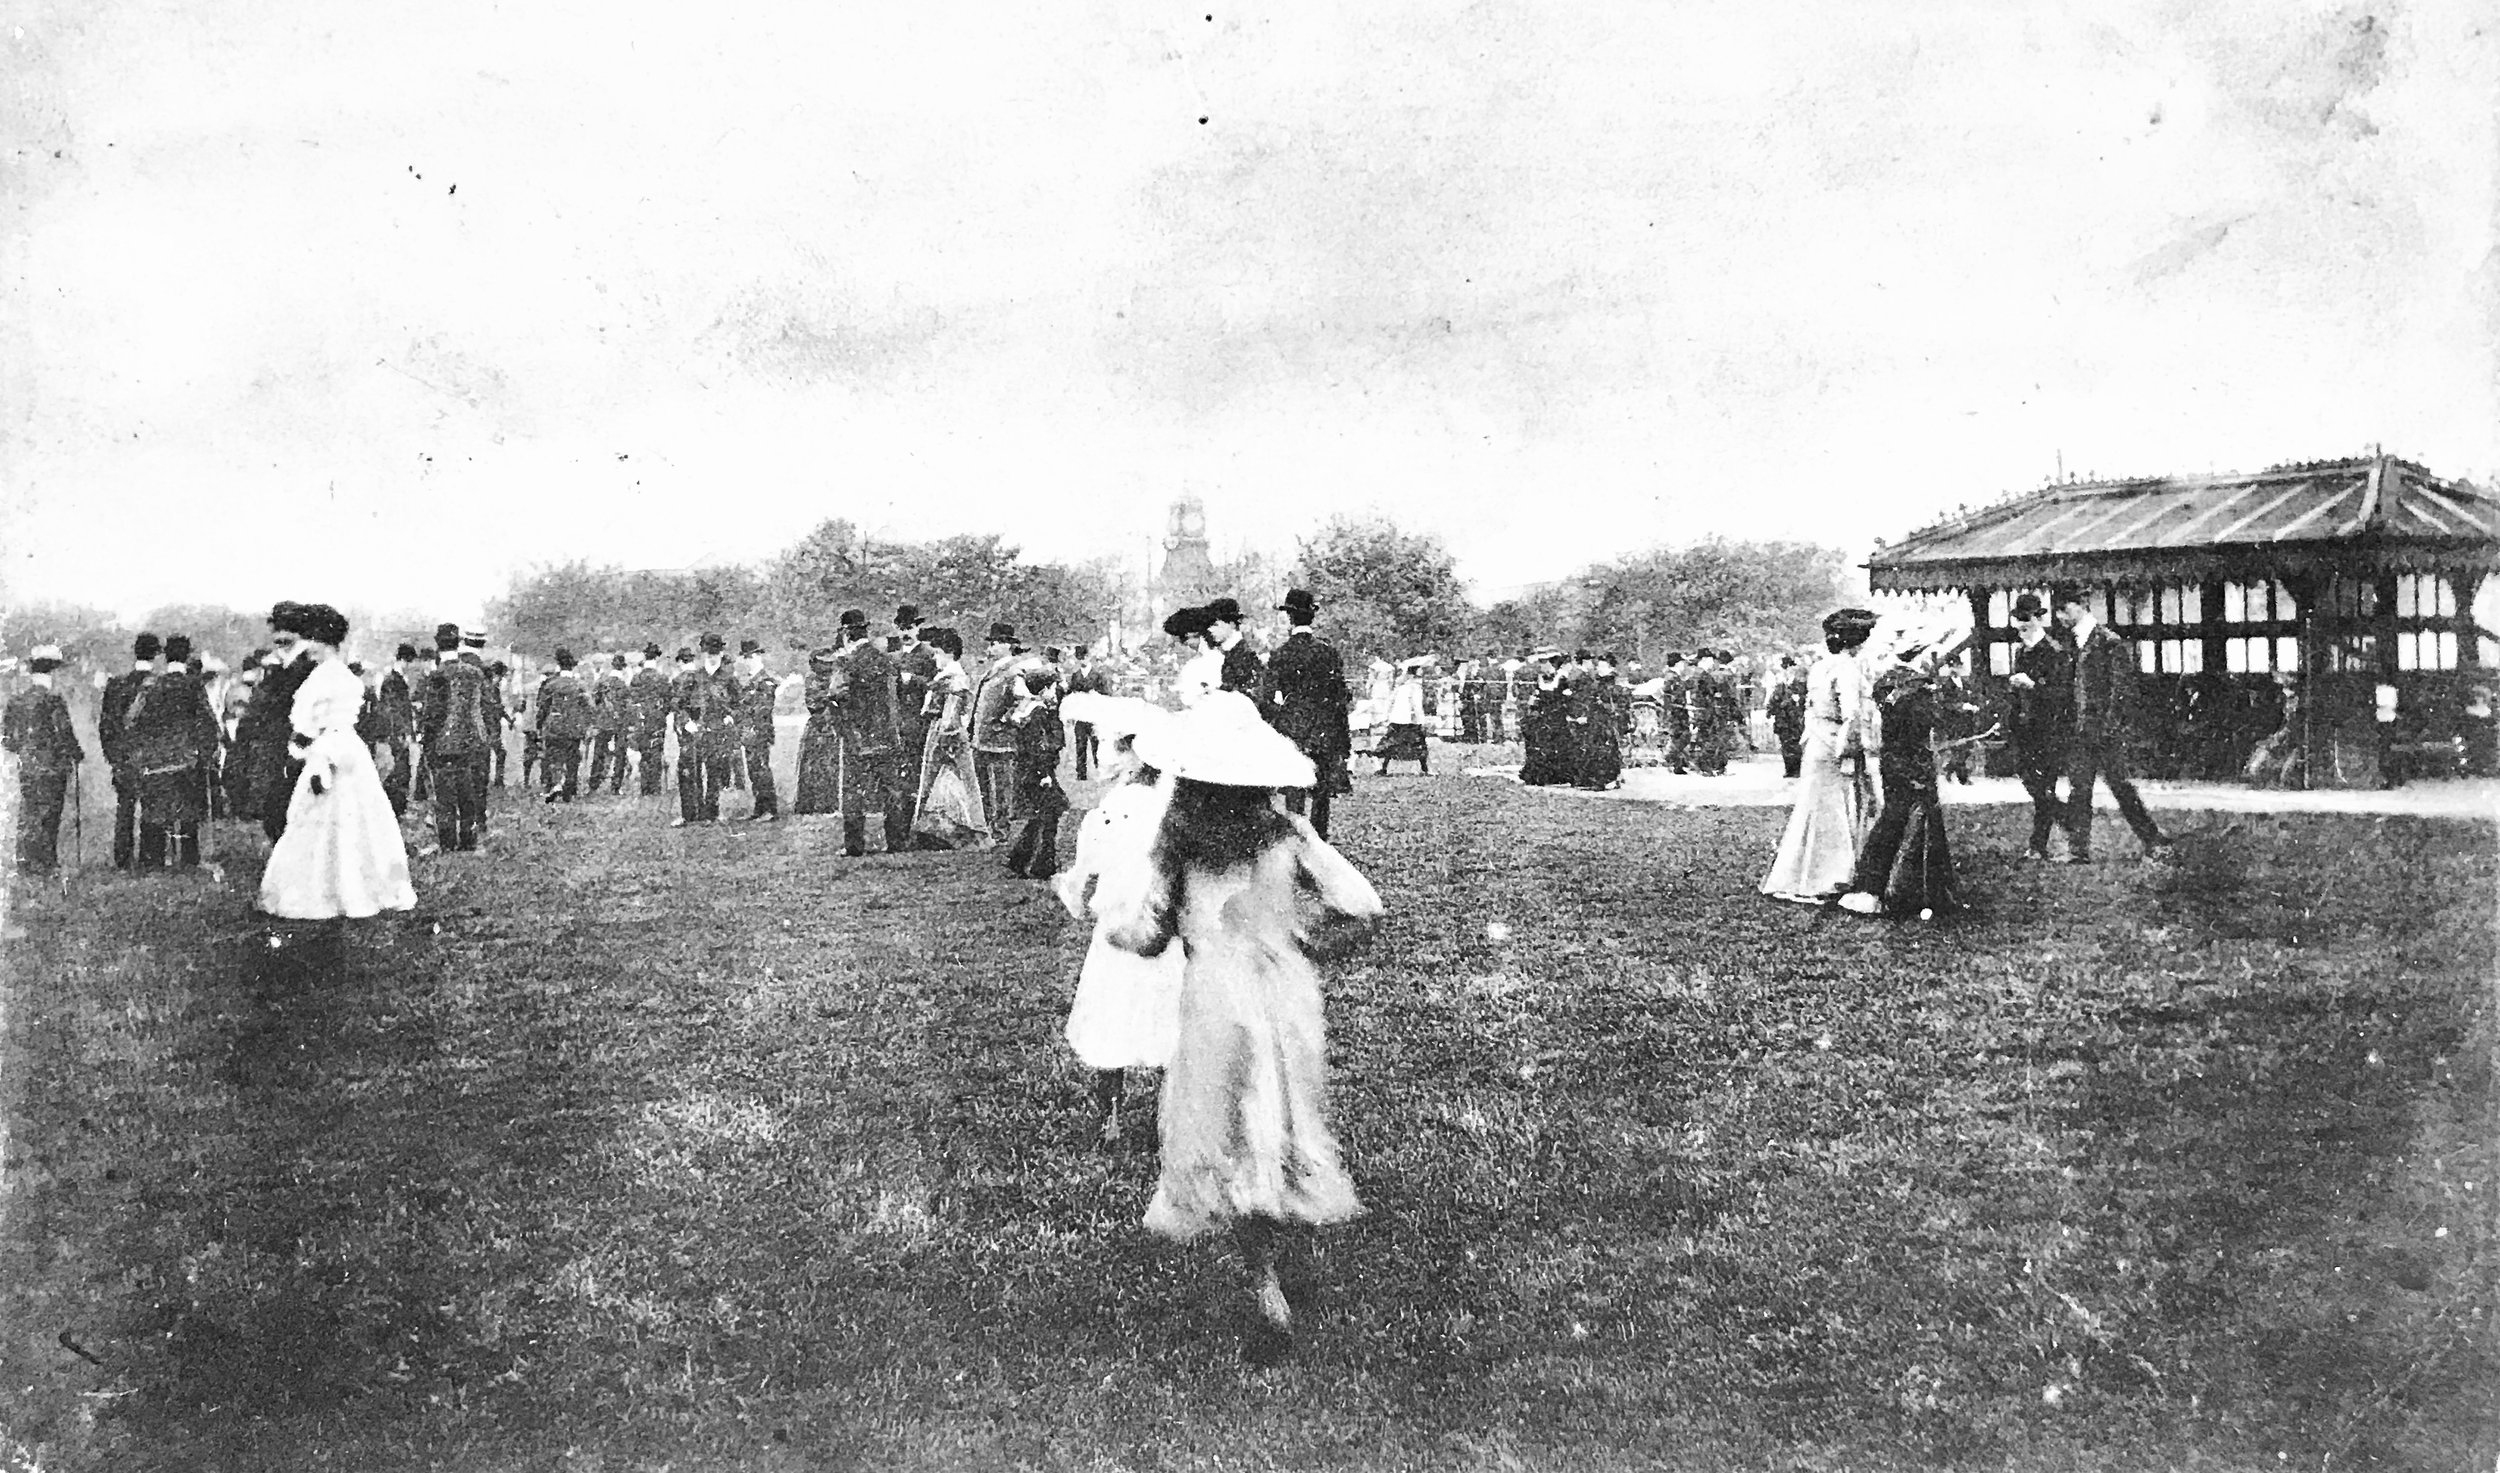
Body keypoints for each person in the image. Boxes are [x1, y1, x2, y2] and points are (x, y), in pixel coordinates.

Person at [1101, 691, 1384, 1364]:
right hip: (1285, 990)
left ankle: (1263, 1277)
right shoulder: (1289, 833)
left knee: (1224, 1124)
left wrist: (1110, 915)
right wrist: (1307, 945)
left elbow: (1141, 932)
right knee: (1280, 1114)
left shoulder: (1178, 844)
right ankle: (1282, 1253)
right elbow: (1363, 906)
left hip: (1214, 993)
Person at [1054, 692, 1185, 1145]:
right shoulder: (1173, 807)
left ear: (1134, 755)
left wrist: (1072, 889)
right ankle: (1167, 1119)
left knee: (1112, 1017)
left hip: (1117, 927)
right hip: (1166, 926)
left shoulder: (1110, 810)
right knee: (1167, 1016)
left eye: (1116, 745)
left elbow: (1085, 870)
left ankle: (1110, 1118)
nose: (1108, 754)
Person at [258, 605, 416, 921]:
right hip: (348, 751)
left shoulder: (321, 678)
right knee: (356, 820)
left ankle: (324, 891)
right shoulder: (344, 676)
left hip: (327, 751)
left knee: (319, 819)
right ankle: (354, 888)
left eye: (311, 641)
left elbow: (305, 726)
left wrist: (297, 752)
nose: (308, 648)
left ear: (322, 640)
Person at [1839, 625, 1973, 919]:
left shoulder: (1886, 682)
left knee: (1892, 820)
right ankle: (1921, 892)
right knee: (1922, 822)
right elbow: (1925, 723)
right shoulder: (1919, 688)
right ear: (1920, 655)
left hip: (1892, 759)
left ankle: (1871, 887)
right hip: (1914, 760)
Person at [1760, 608, 1880, 905]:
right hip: (1835, 744)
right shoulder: (1848, 669)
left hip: (1817, 741)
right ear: (1858, 640)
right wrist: (1856, 749)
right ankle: (1828, 878)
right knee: (1834, 811)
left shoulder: (1819, 667)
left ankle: (1800, 876)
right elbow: (1851, 715)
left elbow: (1812, 709)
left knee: (1815, 808)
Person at [2052, 588, 2174, 863]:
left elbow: (2122, 690)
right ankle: (2078, 850)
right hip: (2079, 732)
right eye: (2057, 611)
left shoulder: (2109, 642)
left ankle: (2154, 840)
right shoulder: (2070, 644)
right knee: (2079, 791)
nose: (2061, 616)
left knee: (2120, 787)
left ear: (2083, 605)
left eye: (2066, 608)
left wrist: (2109, 727)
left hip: (2104, 733)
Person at [1256, 589, 1353, 837]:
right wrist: (1341, 739)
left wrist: (1282, 717)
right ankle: (1319, 838)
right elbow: (1340, 697)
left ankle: (1295, 835)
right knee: (1321, 791)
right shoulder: (1327, 652)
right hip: (1323, 727)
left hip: (1293, 726)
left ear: (1290, 618)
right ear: (1312, 618)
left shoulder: (1281, 654)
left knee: (1294, 786)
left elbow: (1266, 697)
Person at [123, 634, 222, 869]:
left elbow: (132, 721)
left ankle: (153, 861)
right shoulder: (193, 685)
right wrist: (207, 754)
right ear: (187, 657)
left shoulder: (151, 686)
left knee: (155, 813)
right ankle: (188, 860)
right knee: (187, 813)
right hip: (187, 759)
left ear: (165, 657)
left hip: (156, 761)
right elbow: (208, 724)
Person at [827, 609, 909, 855]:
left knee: (853, 792)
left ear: (846, 633)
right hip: (887, 735)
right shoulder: (886, 660)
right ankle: (896, 842)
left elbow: (835, 692)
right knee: (892, 791)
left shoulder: (848, 661)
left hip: (858, 736)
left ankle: (854, 846)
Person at [4, 643, 86, 874]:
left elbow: (7, 739)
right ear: (52, 672)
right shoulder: (54, 701)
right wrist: (76, 753)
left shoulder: (16, 702)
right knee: (50, 814)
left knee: (29, 810)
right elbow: (65, 733)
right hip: (53, 765)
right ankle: (46, 860)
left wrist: (24, 750)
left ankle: (25, 859)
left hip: (27, 764)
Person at [239, 604, 318, 841]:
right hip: (277, 749)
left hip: (294, 749)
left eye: (283, 633)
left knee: (286, 812)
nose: (277, 639)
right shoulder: (283, 665)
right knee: (277, 813)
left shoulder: (304, 665)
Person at [2004, 594, 2074, 861]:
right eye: (2018, 625)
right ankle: (2066, 816)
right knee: (2029, 778)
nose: (2022, 630)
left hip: (2049, 729)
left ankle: (2038, 845)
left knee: (2044, 785)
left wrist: (2034, 685)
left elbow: (2062, 694)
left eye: (2026, 623)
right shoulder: (2021, 652)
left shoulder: (2054, 652)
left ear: (2037, 619)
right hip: (2024, 728)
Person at [910, 627, 991, 848]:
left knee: (943, 779)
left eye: (936, 654)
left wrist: (945, 735)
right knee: (958, 781)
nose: (935, 659)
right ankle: (947, 830)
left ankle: (971, 832)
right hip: (946, 730)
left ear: (947, 653)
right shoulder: (949, 676)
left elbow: (952, 712)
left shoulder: (954, 677)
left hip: (947, 732)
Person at [420, 623, 493, 852]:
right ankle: (469, 840)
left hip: (443, 742)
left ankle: (448, 842)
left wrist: (427, 740)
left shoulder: (438, 674)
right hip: (472, 740)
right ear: (459, 642)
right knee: (467, 793)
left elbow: (434, 714)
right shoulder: (475, 673)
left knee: (444, 797)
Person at [100, 633, 159, 869]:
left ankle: (122, 858)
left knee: (124, 807)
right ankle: (150, 857)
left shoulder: (116, 684)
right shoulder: (159, 684)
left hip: (123, 757)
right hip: (152, 757)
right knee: (151, 808)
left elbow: (106, 726)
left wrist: (113, 756)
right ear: (156, 655)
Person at [1003, 664, 1068, 878]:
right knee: (1050, 814)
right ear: (1043, 690)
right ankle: (1041, 864)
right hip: (1038, 773)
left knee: (1043, 816)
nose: (1056, 691)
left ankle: (1021, 858)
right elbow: (1040, 747)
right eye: (1053, 687)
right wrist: (1045, 775)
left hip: (1032, 772)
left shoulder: (1030, 710)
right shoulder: (1039, 714)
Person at [672, 635, 743, 827]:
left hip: (717, 731)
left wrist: (731, 716)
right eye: (709, 653)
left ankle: (711, 813)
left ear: (721, 654)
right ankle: (689, 814)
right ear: (703, 653)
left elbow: (740, 704)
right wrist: (686, 722)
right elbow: (678, 704)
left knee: (715, 773)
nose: (712, 657)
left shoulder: (728, 679)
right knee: (688, 773)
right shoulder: (693, 677)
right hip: (695, 732)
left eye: (716, 653)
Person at [970, 622, 1030, 837]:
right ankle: (987, 826)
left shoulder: (1014, 671)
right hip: (982, 738)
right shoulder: (992, 670)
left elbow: (1024, 701)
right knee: (983, 786)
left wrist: (1006, 720)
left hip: (1000, 741)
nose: (990, 648)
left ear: (1006, 645)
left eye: (995, 644)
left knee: (1001, 787)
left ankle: (1001, 829)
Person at [892, 606, 939, 809]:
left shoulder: (929, 655)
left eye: (909, 628)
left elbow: (936, 685)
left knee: (918, 761)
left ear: (917, 628)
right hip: (898, 719)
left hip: (919, 719)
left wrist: (914, 680)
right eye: (901, 628)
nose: (905, 633)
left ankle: (919, 802)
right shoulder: (892, 656)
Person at [733, 640, 781, 822]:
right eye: (747, 657)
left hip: (759, 731)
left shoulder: (764, 680)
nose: (748, 660)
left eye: (750, 657)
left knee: (761, 769)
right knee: (754, 771)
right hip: (749, 731)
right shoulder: (751, 680)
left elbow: (763, 709)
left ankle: (770, 809)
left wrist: (753, 728)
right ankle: (760, 808)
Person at [793, 645, 843, 816]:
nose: (827, 667)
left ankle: (829, 802)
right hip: (820, 725)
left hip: (832, 724)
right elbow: (814, 703)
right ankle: (813, 804)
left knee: (830, 766)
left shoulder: (835, 676)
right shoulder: (812, 678)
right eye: (823, 663)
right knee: (816, 767)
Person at [1517, 649, 1573, 785]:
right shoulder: (1540, 679)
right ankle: (1540, 774)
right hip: (1543, 714)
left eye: (1546, 663)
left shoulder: (1562, 678)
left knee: (1559, 743)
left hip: (1558, 714)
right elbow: (1537, 695)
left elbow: (1566, 698)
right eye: (1542, 663)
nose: (1543, 667)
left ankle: (1560, 774)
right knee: (1540, 743)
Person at [376, 644, 420, 818]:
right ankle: (396, 808)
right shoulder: (393, 680)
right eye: (408, 662)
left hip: (398, 731)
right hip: (397, 732)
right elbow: (392, 709)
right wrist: (402, 732)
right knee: (401, 770)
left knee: (401, 769)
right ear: (403, 660)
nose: (409, 666)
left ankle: (397, 806)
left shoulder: (395, 679)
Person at [1575, 653, 1625, 790]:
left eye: (1603, 666)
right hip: (1596, 719)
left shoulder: (1613, 684)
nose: (1599, 668)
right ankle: (1599, 778)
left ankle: (1605, 779)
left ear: (1610, 667)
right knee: (1595, 747)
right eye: (1599, 666)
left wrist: (1603, 704)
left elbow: (1617, 704)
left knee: (1606, 749)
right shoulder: (1598, 682)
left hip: (1607, 720)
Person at [627, 643, 671, 796]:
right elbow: (668, 701)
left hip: (641, 719)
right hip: (657, 719)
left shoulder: (636, 678)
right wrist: (662, 713)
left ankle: (645, 787)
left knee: (644, 751)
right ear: (657, 659)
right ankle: (655, 786)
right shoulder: (662, 678)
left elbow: (631, 700)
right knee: (656, 751)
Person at [586, 653, 631, 795]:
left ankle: (593, 785)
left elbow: (594, 702)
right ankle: (616, 786)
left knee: (599, 753)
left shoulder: (601, 681)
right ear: (623, 668)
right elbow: (628, 706)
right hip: (619, 722)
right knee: (620, 755)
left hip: (603, 722)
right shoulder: (624, 684)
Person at [1377, 659, 1431, 775]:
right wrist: (1421, 720)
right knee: (1418, 745)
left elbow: (1390, 700)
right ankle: (1424, 769)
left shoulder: (1400, 685)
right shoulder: (1415, 686)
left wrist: (1386, 716)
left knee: (1391, 744)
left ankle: (1384, 768)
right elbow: (1416, 705)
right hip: (1410, 720)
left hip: (1396, 718)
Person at [1202, 597, 1262, 695]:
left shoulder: (1243, 655)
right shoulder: (1228, 653)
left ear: (1231, 624)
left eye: (1216, 625)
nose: (1210, 630)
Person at [1765, 655, 1808, 779]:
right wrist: (1770, 710)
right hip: (1782, 720)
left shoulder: (1800, 685)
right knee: (1785, 744)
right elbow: (1773, 700)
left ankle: (1796, 769)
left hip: (1795, 720)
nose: (1787, 671)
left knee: (1795, 743)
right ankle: (1789, 768)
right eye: (1784, 668)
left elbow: (1805, 700)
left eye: (1789, 668)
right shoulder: (1781, 686)